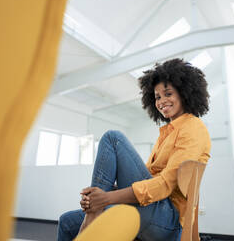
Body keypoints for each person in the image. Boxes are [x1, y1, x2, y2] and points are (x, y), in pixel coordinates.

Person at [57, 58, 211, 241]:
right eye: (157, 97)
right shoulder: (167, 134)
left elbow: (165, 185)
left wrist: (106, 198)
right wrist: (101, 194)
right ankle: (94, 207)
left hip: (168, 220)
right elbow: (146, 179)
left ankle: (93, 213)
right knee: (66, 221)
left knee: (113, 139)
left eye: (168, 94)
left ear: (185, 93)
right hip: (150, 209)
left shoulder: (193, 128)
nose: (162, 101)